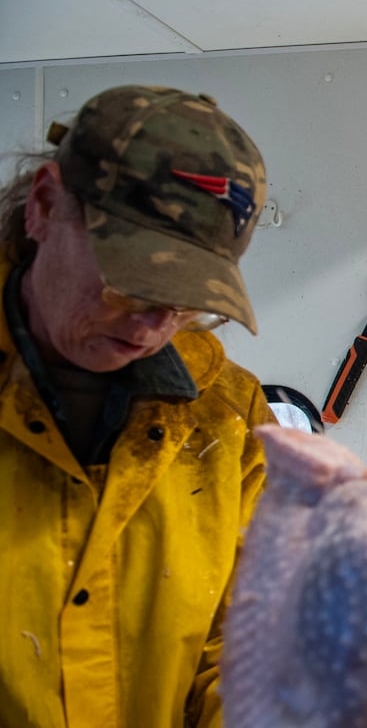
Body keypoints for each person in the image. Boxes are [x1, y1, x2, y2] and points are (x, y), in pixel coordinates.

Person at [0, 85, 273, 726]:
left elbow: (240, 655)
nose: (155, 325)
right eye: (134, 282)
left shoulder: (226, 418)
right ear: (44, 205)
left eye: (187, 299)